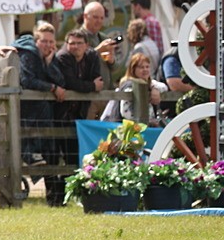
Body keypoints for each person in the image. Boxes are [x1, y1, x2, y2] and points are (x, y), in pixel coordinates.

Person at [13, 22, 66, 204]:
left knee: (49, 149)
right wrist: (51, 87)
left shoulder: (49, 56)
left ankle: (54, 198)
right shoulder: (28, 53)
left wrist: (50, 63)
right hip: (17, 108)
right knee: (25, 144)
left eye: (51, 42)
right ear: (36, 41)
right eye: (44, 41)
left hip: (37, 111)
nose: (48, 45)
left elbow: (61, 80)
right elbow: (27, 80)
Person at [54, 29, 103, 205]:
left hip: (81, 114)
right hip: (61, 113)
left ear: (86, 45)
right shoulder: (62, 57)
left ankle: (76, 195)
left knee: (77, 156)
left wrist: (88, 85)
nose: (74, 47)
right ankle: (58, 198)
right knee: (60, 156)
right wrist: (90, 85)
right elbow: (69, 82)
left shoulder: (92, 57)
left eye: (79, 43)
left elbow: (100, 80)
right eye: (71, 43)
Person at [101, 53, 167, 126]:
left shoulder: (149, 83)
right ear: (133, 69)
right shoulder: (128, 85)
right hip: (126, 128)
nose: (145, 69)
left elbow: (164, 87)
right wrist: (146, 123)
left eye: (147, 67)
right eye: (141, 67)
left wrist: (155, 89)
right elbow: (125, 112)